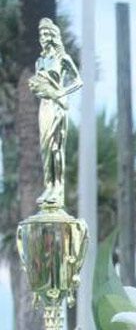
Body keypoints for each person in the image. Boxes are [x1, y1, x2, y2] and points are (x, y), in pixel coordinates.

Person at [28, 17, 82, 208]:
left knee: (55, 147)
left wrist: (61, 93)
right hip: (44, 106)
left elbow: (78, 81)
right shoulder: (40, 61)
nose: (42, 37)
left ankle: (58, 187)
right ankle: (48, 185)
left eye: (45, 33)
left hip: (58, 106)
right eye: (40, 34)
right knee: (44, 148)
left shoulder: (63, 59)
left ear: (52, 36)